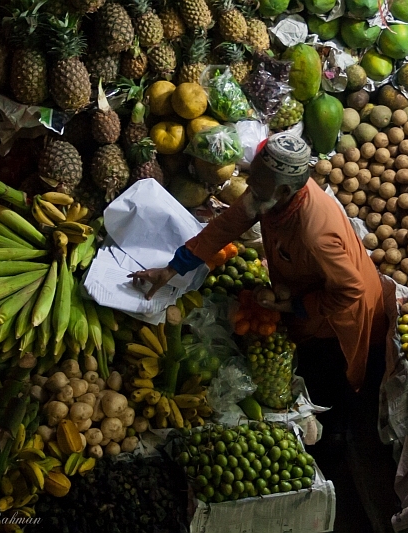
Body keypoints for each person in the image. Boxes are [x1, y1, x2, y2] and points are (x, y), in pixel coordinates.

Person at [129, 132, 387, 452]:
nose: (250, 187)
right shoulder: (269, 193)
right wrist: (173, 267)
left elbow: (350, 289)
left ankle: (332, 445)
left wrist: (294, 306)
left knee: (329, 383)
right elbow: (229, 223)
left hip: (339, 311)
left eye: (258, 182)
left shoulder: (316, 230)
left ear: (283, 190)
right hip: (307, 288)